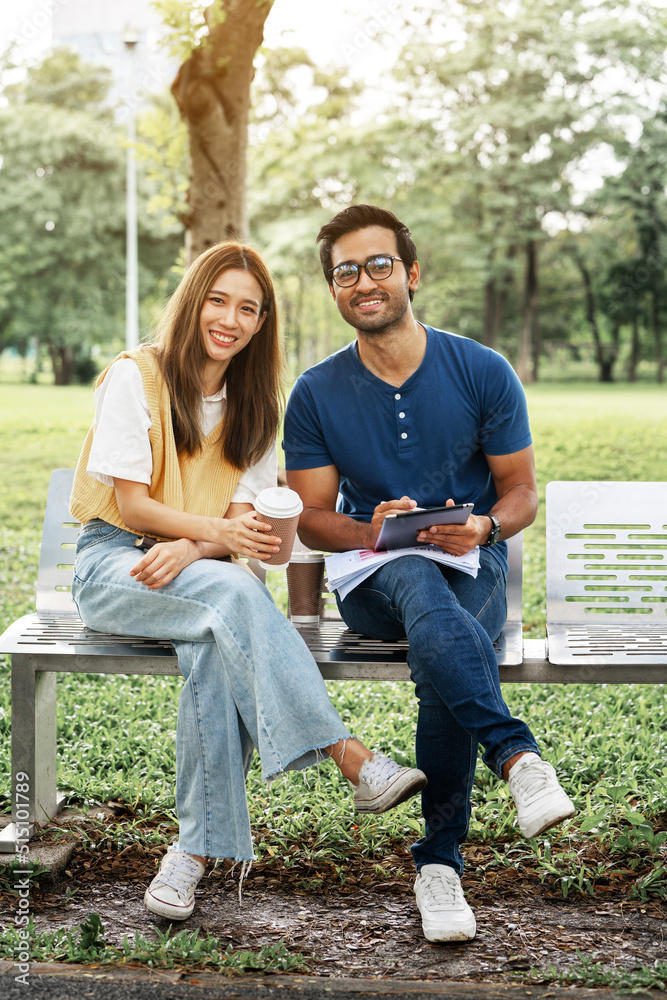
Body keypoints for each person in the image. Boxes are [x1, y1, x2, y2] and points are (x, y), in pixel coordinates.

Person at [69, 240, 427, 922]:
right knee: (232, 595)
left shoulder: (256, 407)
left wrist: (197, 542)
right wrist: (199, 539)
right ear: (193, 302)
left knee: (217, 629)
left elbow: (243, 531)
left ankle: (191, 856)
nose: (229, 319)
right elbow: (136, 505)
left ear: (262, 323)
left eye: (248, 309)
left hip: (199, 576)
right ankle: (348, 757)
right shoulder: (135, 376)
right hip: (116, 566)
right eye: (218, 301)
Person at [283, 205, 576, 943]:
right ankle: (516, 758)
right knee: (414, 583)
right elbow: (312, 519)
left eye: (378, 264)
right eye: (344, 272)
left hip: (470, 562)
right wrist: (373, 531)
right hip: (373, 579)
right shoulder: (315, 392)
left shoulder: (481, 370)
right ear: (334, 291)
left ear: (410, 273)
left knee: (442, 648)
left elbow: (520, 493)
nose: (363, 281)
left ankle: (437, 866)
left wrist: (484, 525)